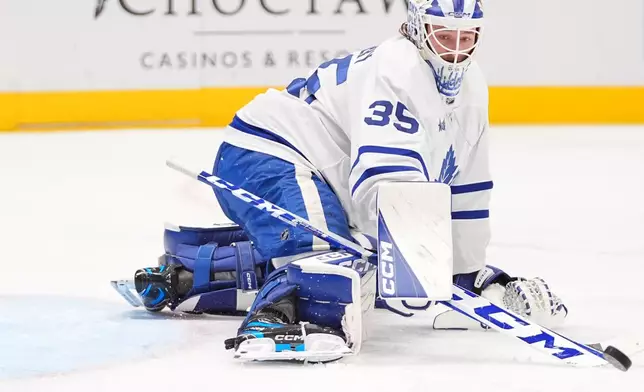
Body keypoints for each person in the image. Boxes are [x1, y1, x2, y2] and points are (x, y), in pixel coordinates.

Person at [130, 0, 568, 361]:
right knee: (329, 259)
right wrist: (417, 267)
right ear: (418, 29)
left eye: (465, 37)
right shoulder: (396, 69)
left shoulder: (472, 89)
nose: (455, 50)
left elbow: (469, 189)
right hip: (269, 154)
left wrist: (464, 273)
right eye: (443, 35)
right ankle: (273, 320)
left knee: (363, 269)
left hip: (319, 172)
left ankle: (189, 277)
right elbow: (383, 182)